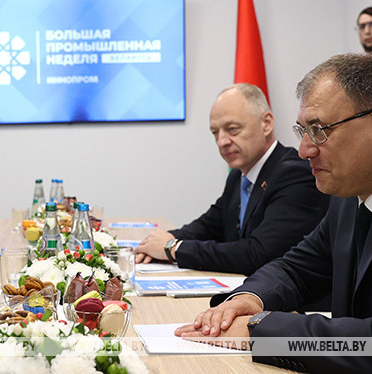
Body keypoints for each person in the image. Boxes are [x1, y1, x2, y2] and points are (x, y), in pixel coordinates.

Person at [177, 54, 372, 373]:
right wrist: (251, 298)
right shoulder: (351, 193)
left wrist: (262, 330)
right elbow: (297, 269)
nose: (304, 150)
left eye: (319, 130)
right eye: (303, 131)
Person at [134, 83, 329, 275]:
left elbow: (258, 254)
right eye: (215, 132)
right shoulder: (238, 175)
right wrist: (159, 242)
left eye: (232, 129)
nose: (222, 141)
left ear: (266, 123)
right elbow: (210, 225)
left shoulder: (295, 173)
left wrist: (173, 248)